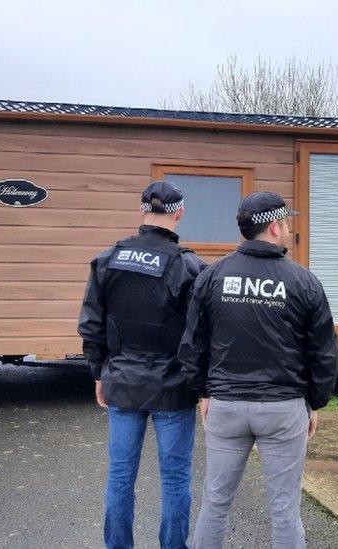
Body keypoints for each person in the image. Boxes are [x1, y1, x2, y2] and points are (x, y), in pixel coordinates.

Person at [179, 190, 338, 549]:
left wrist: (204, 391)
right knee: (285, 509)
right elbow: (325, 353)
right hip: (283, 409)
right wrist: (313, 402)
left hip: (226, 406)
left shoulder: (212, 276)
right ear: (273, 227)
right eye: (285, 224)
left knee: (215, 502)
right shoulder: (303, 281)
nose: (287, 231)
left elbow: (193, 344)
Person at [78, 181, 206, 549]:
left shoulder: (107, 260)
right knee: (176, 479)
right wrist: (201, 387)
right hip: (172, 387)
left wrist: (97, 371)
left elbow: (91, 324)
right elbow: (200, 336)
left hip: (122, 381)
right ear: (179, 213)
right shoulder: (190, 267)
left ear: (141, 211)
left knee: (120, 477)